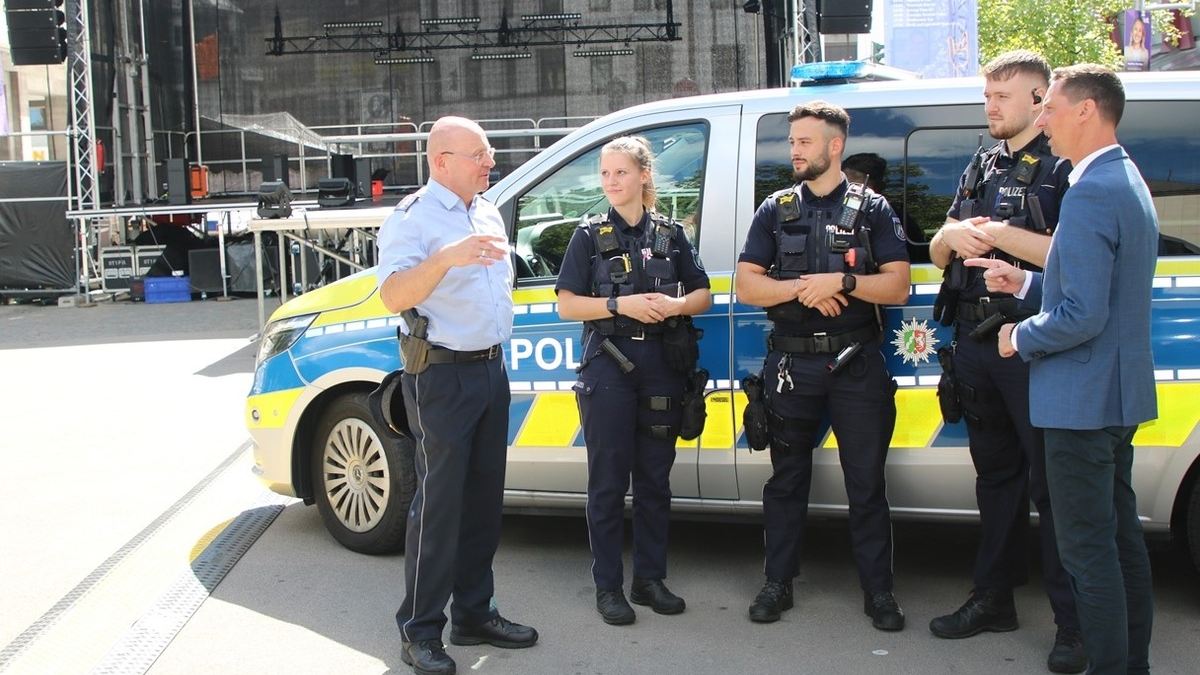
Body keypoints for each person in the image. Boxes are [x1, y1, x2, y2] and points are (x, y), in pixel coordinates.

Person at [966, 63, 1159, 675]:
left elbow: (1081, 316)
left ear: (1086, 110)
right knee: (1122, 542)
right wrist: (1024, 280)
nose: (1042, 121)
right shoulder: (1121, 176)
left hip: (1082, 402)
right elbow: (1083, 284)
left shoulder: (1094, 187)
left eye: (1050, 108)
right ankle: (1133, 664)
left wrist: (1018, 336)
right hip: (1114, 398)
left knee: (1089, 552)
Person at [925, 50, 1085, 673]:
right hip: (975, 345)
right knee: (996, 481)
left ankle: (1073, 626)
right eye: (987, 96)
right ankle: (993, 599)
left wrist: (989, 235)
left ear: (1041, 99)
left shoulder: (1067, 167)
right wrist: (952, 237)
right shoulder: (982, 160)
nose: (990, 107)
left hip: (1032, 344)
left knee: (1053, 489)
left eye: (1002, 97)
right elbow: (940, 247)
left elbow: (1076, 257)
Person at [736, 101, 910, 631]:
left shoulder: (872, 209)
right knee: (786, 482)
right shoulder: (775, 209)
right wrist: (803, 288)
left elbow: (899, 286)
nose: (794, 150)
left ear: (835, 147)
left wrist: (845, 282)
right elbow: (747, 285)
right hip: (792, 367)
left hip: (856, 365)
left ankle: (878, 592)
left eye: (804, 142)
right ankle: (777, 581)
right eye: (792, 142)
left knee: (866, 484)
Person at [376, 116, 537, 675]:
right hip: (442, 377)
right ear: (441, 161)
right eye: (479, 155)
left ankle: (474, 612)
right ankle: (419, 630)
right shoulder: (412, 218)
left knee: (484, 502)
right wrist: (446, 257)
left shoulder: (484, 207)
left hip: (491, 371)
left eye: (488, 154)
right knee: (439, 509)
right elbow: (392, 294)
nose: (490, 163)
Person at [555, 136, 712, 625]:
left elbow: (703, 293)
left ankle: (649, 580)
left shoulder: (672, 234)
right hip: (609, 364)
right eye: (604, 174)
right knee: (606, 484)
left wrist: (677, 305)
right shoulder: (588, 235)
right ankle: (608, 588)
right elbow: (567, 304)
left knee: (653, 481)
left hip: (663, 364)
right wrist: (619, 304)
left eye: (620, 173)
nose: (610, 182)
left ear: (644, 176)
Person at [842, 152, 929, 263]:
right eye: (846, 186)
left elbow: (915, 259)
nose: (850, 194)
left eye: (856, 188)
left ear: (877, 187)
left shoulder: (898, 220)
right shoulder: (832, 215)